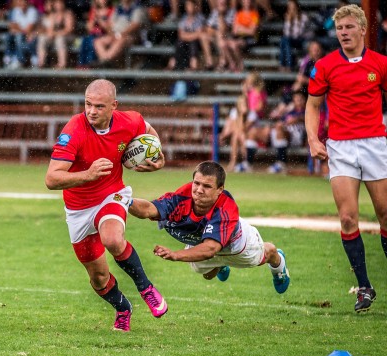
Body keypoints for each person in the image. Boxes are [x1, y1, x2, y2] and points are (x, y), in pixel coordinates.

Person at [45, 79, 167, 332]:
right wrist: (87, 175)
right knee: (98, 279)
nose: (91, 111)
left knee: (112, 239)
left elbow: (149, 132)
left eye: (99, 106)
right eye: (88, 104)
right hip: (78, 209)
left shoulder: (129, 120)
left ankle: (146, 288)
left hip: (113, 193)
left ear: (114, 106)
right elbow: (52, 179)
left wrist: (158, 157)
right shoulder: (74, 130)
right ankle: (123, 308)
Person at [305, 4, 387, 313]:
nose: (344, 32)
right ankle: (364, 288)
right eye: (340, 28)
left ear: (363, 30)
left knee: (385, 215)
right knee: (348, 218)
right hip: (340, 147)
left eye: (350, 27)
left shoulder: (380, 64)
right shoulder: (325, 66)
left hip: (376, 144)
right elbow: (313, 105)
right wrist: (313, 138)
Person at [128, 161, 290, 293]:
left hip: (235, 244)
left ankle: (278, 264)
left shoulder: (226, 208)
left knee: (263, 255)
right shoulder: (180, 198)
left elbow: (211, 248)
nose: (199, 190)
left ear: (220, 189)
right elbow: (149, 209)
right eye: (196, 183)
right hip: (203, 242)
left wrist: (176, 254)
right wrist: (124, 199)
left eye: (206, 186)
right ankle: (220, 266)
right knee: (207, 276)